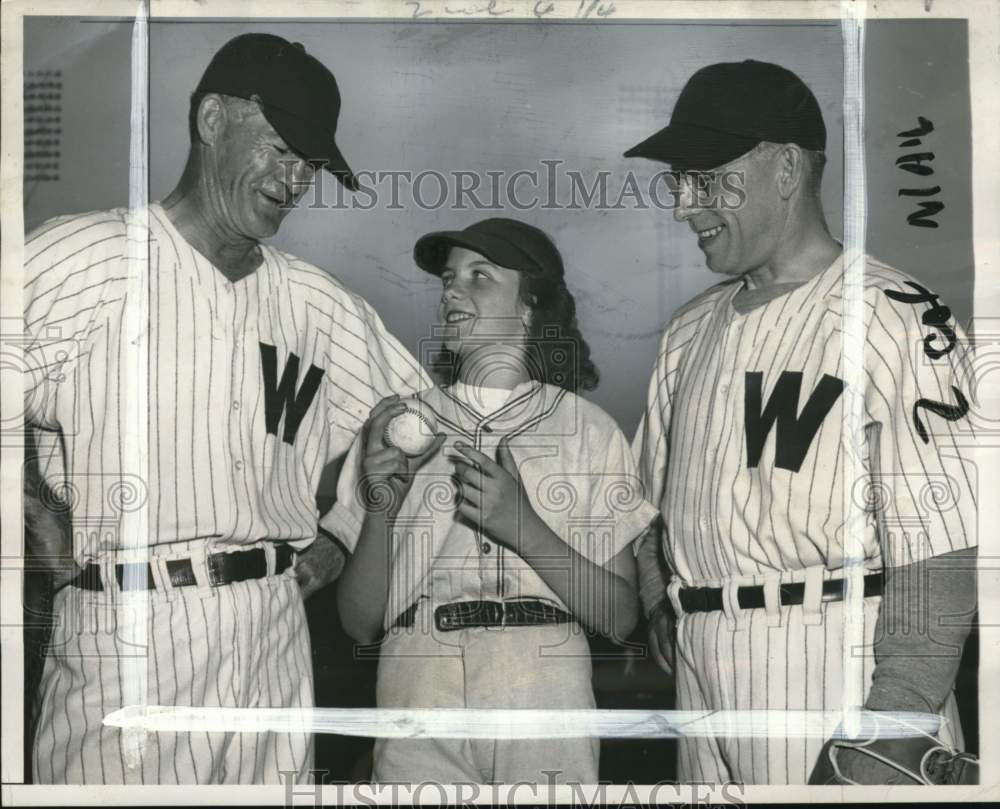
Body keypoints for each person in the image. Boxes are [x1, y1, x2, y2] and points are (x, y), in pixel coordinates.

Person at [22, 33, 428, 784]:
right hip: (130, 628)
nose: (295, 177)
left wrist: (341, 531)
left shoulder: (315, 300)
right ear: (212, 119)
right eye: (278, 147)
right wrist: (29, 506)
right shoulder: (85, 256)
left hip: (272, 627)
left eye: (309, 162)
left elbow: (416, 421)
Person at [625, 60, 978, 784]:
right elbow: (650, 511)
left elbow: (942, 549)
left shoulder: (896, 318)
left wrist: (897, 725)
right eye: (678, 181)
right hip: (701, 681)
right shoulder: (687, 331)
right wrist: (665, 594)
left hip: (835, 667)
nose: (684, 207)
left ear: (785, 168)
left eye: (706, 178)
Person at [324, 218, 659, 784]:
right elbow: (359, 623)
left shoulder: (587, 429)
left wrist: (521, 526)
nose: (453, 290)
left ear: (530, 306)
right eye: (449, 278)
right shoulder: (398, 423)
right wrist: (384, 501)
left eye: (480, 276)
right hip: (417, 677)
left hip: (543, 680)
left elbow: (618, 616)